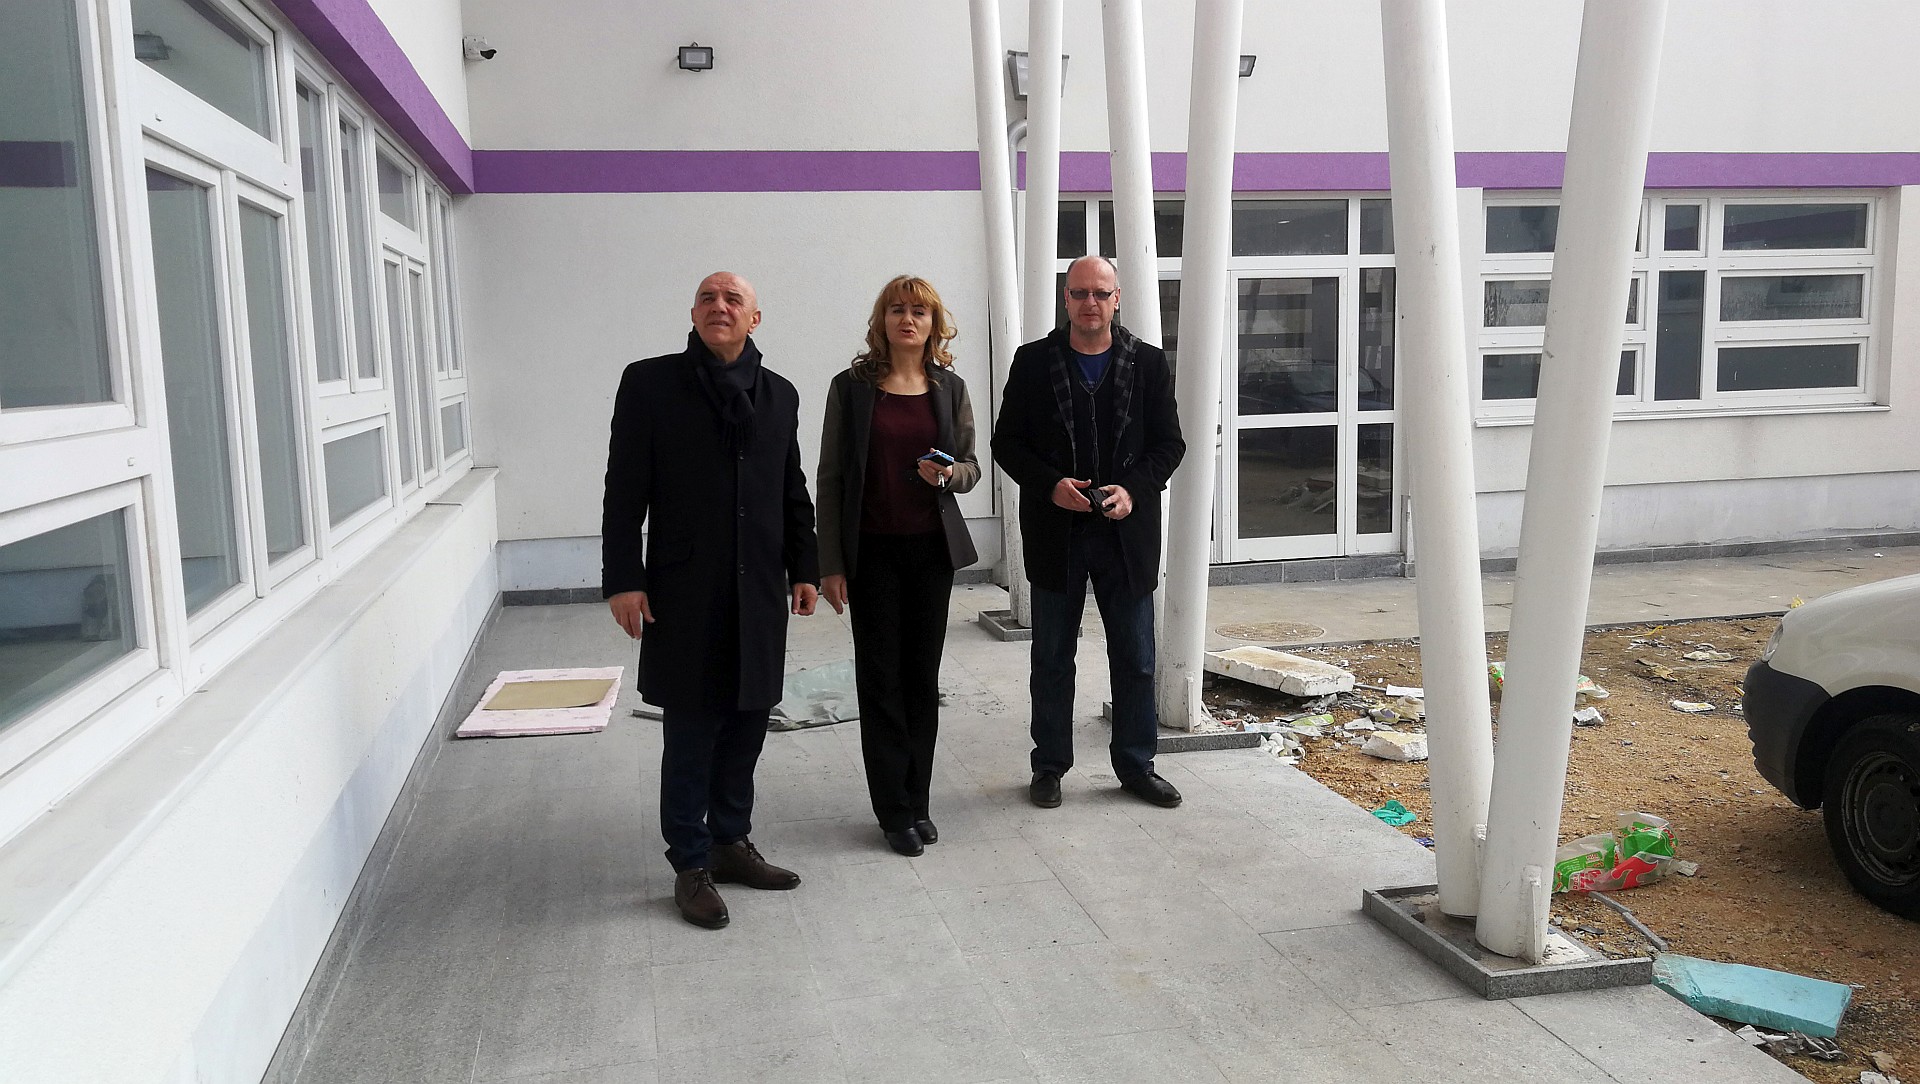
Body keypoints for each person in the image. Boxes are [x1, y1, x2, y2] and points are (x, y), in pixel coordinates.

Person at [602, 271, 821, 930]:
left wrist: (805, 567)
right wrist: (624, 578)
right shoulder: (650, 384)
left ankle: (730, 840)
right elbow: (625, 489)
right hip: (684, 586)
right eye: (707, 297)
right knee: (693, 727)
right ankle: (691, 862)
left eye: (733, 299)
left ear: (755, 318)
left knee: (749, 720)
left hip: (759, 586)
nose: (718, 306)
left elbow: (790, 487)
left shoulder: (779, 394)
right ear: (693, 313)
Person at [991, 255, 1186, 810]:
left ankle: (1137, 765)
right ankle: (1049, 765)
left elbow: (1169, 444)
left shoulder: (1147, 362)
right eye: (1079, 293)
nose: (1090, 303)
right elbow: (1007, 443)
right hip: (1058, 532)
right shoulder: (1033, 362)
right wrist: (1050, 485)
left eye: (1101, 293)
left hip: (1126, 533)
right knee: (1052, 657)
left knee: (1137, 658)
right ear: (1066, 299)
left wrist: (1133, 489)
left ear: (1117, 298)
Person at [816, 276, 981, 857]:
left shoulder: (950, 388)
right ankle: (892, 810)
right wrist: (829, 563)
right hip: (871, 553)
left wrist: (950, 474)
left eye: (919, 311)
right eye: (896, 310)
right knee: (881, 679)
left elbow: (970, 466)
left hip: (931, 552)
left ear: (934, 324)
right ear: (881, 321)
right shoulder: (851, 388)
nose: (907, 320)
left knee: (921, 679)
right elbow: (831, 477)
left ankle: (918, 801)